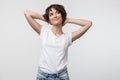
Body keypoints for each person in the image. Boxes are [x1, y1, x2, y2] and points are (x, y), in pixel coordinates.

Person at [24, 4, 92, 80]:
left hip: (61, 76)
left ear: (62, 16)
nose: (55, 16)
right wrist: (48, 19)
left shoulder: (68, 37)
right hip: (43, 76)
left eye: (57, 13)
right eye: (51, 14)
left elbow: (88, 23)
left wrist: (68, 20)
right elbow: (27, 13)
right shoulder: (43, 32)